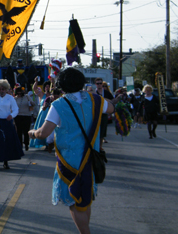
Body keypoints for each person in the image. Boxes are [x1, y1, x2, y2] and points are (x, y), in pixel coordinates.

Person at [29, 68, 114, 234]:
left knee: (75, 201)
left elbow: (43, 133)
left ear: (61, 85)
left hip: (69, 160)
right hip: (90, 159)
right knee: (84, 199)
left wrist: (31, 133)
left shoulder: (59, 105)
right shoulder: (95, 99)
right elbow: (111, 108)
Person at [0, 79, 24, 170]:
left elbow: (15, 109)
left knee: (6, 142)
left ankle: (6, 162)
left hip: (6, 121)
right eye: (0, 89)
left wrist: (11, 115)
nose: (1, 91)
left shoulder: (10, 98)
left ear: (6, 89)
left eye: (3, 89)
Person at [14, 86, 35, 151]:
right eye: (18, 93)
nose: (19, 94)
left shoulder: (27, 97)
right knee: (19, 131)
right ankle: (20, 145)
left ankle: (26, 144)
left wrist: (31, 103)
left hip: (26, 116)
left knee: (26, 131)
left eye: (20, 93)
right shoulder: (15, 98)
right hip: (18, 116)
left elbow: (33, 103)